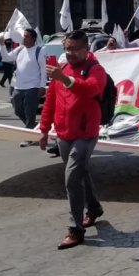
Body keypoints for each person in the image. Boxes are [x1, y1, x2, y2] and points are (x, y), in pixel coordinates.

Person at [39, 30, 108, 250]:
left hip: (86, 134)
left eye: (76, 49)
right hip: (64, 133)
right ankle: (94, 208)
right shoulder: (63, 70)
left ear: (86, 50)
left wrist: (65, 79)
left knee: (71, 179)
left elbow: (90, 89)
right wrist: (43, 129)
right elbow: (51, 101)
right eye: (67, 48)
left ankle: (75, 230)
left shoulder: (95, 70)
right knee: (81, 173)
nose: (71, 53)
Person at [0, 29, 46, 147]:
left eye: (27, 37)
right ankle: (35, 129)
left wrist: (42, 86)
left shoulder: (39, 51)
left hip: (33, 87)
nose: (24, 38)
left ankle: (29, 137)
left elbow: (43, 70)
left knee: (30, 114)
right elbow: (6, 58)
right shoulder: (20, 49)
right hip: (19, 86)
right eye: (23, 36)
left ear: (33, 39)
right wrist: (2, 45)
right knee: (17, 110)